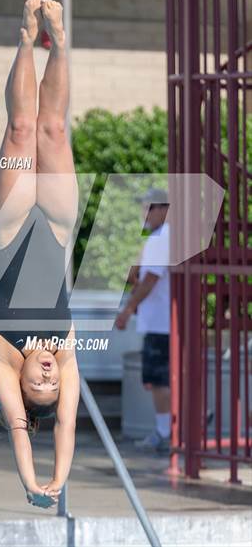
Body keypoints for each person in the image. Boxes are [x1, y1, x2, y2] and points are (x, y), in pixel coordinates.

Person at [0, 0, 80, 509]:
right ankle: (60, 42)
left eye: (37, 383)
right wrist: (58, 478)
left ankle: (25, 38)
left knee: (21, 129)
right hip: (59, 228)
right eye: (52, 383)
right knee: (54, 128)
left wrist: (31, 481)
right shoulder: (65, 357)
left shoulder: (3, 358)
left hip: (11, 225)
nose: (46, 375)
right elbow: (65, 422)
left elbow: (22, 430)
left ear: (21, 382)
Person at [115, 188, 170, 452]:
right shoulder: (160, 237)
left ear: (164, 209)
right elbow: (142, 274)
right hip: (165, 322)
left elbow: (150, 280)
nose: (144, 213)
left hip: (161, 323)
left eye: (149, 207)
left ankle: (164, 432)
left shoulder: (161, 239)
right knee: (165, 378)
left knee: (159, 380)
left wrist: (127, 310)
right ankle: (173, 428)